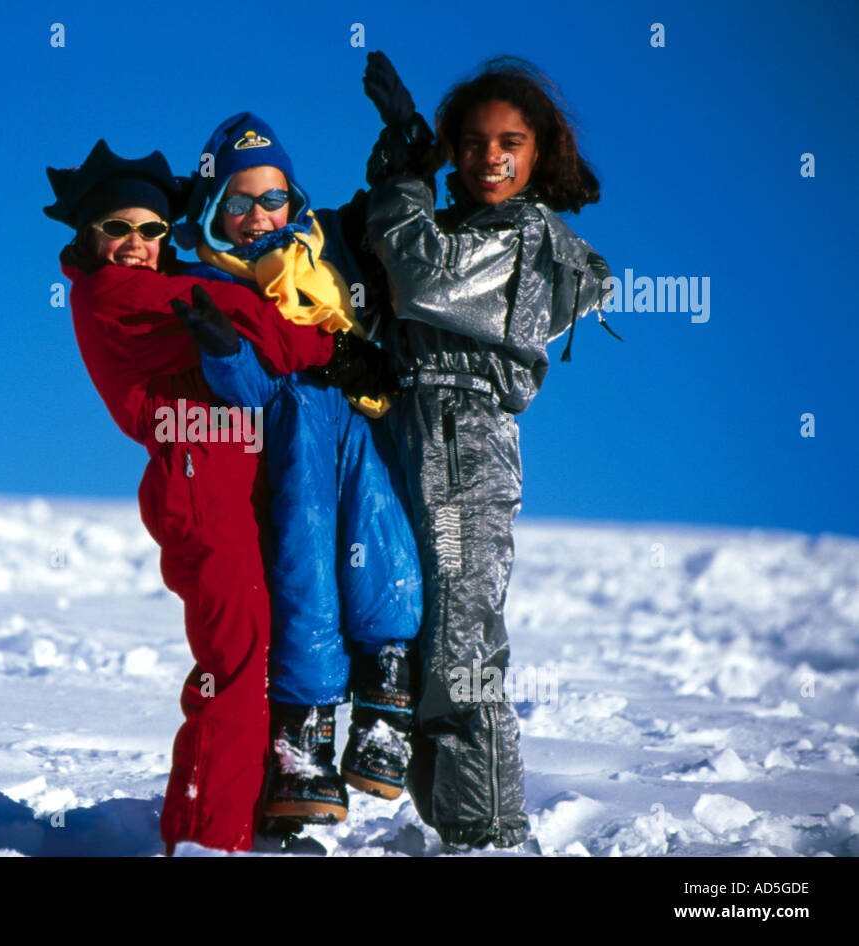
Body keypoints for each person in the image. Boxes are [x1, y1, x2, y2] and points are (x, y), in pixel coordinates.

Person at [44, 139, 340, 854]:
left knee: (266, 647)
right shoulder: (114, 294)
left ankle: (258, 811)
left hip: (237, 476)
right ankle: (207, 835)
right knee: (234, 662)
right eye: (119, 228)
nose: (138, 244)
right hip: (199, 486)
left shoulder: (168, 287)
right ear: (90, 235)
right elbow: (260, 328)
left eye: (150, 230)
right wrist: (330, 343)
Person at [360, 51, 615, 850]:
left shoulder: (525, 236)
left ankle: (490, 833)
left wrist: (404, 178)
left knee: (461, 648)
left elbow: (417, 273)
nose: (489, 157)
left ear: (542, 153)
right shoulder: (463, 226)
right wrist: (395, 166)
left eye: (511, 140)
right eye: (469, 142)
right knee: (410, 629)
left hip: (465, 447)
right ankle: (453, 823)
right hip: (411, 430)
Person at [170, 113, 424, 828]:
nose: (258, 217)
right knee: (306, 574)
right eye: (239, 203)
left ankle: (386, 704)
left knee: (385, 549)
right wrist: (221, 349)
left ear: (295, 200)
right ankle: (302, 741)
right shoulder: (217, 284)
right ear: (214, 211)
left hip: (362, 424)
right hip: (296, 444)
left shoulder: (324, 254)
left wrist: (406, 156)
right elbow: (249, 389)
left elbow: (391, 233)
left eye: (272, 198)